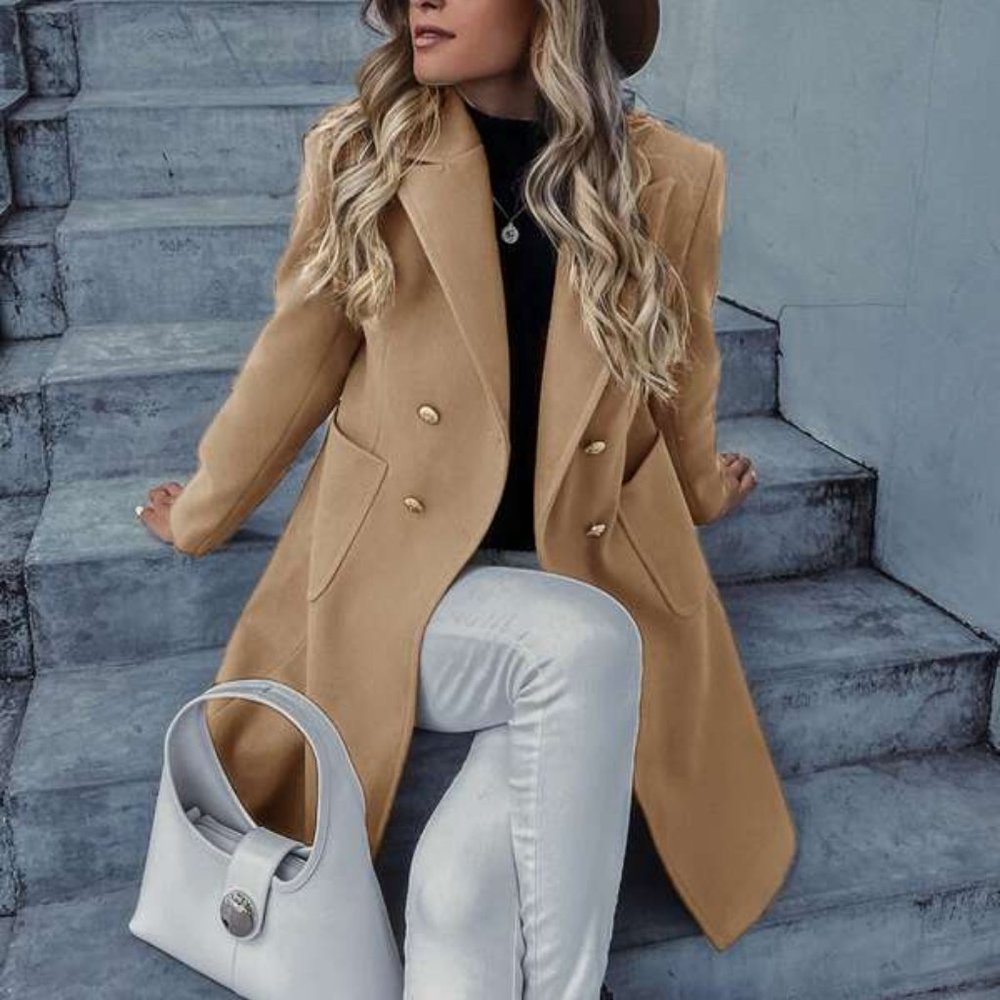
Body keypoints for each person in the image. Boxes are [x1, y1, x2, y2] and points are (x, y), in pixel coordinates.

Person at [137, 0, 763, 995]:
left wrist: (699, 489)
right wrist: (204, 510)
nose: (421, 1)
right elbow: (295, 363)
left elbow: (678, 372)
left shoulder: (671, 176)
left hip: (577, 562)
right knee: (585, 645)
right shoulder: (367, 152)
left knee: (456, 895)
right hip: (409, 583)